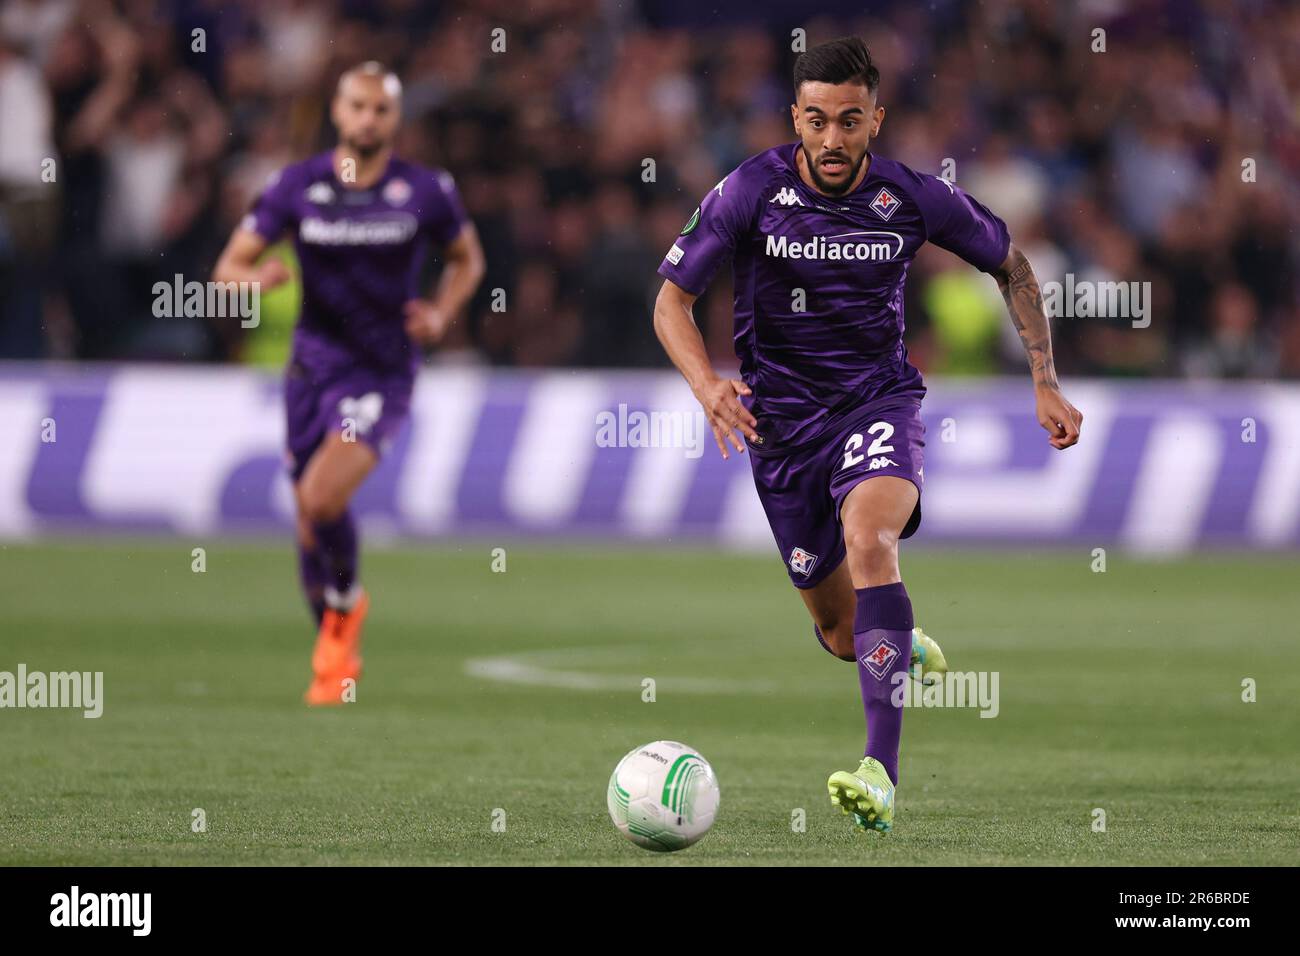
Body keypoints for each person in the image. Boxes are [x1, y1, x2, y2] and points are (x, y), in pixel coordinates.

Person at [652, 37, 1081, 833]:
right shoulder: (750, 190)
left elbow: (1012, 266)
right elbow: (670, 301)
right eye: (817, 121)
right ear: (796, 119)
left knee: (872, 540)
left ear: (875, 119)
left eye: (850, 121)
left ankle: (880, 773)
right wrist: (707, 384)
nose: (833, 139)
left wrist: (1044, 380)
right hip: (780, 431)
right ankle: (899, 640)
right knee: (842, 632)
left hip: (877, 405)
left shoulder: (912, 197)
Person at [214, 62, 485, 705]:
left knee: (322, 498)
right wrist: (258, 280)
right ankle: (334, 641)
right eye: (357, 106)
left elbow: (468, 259)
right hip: (310, 372)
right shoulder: (295, 186)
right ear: (337, 112)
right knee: (309, 518)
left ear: (396, 119)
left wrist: (443, 312)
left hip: (381, 372)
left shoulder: (425, 190)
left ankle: (345, 613)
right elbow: (229, 267)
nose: (368, 119)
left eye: (381, 109)